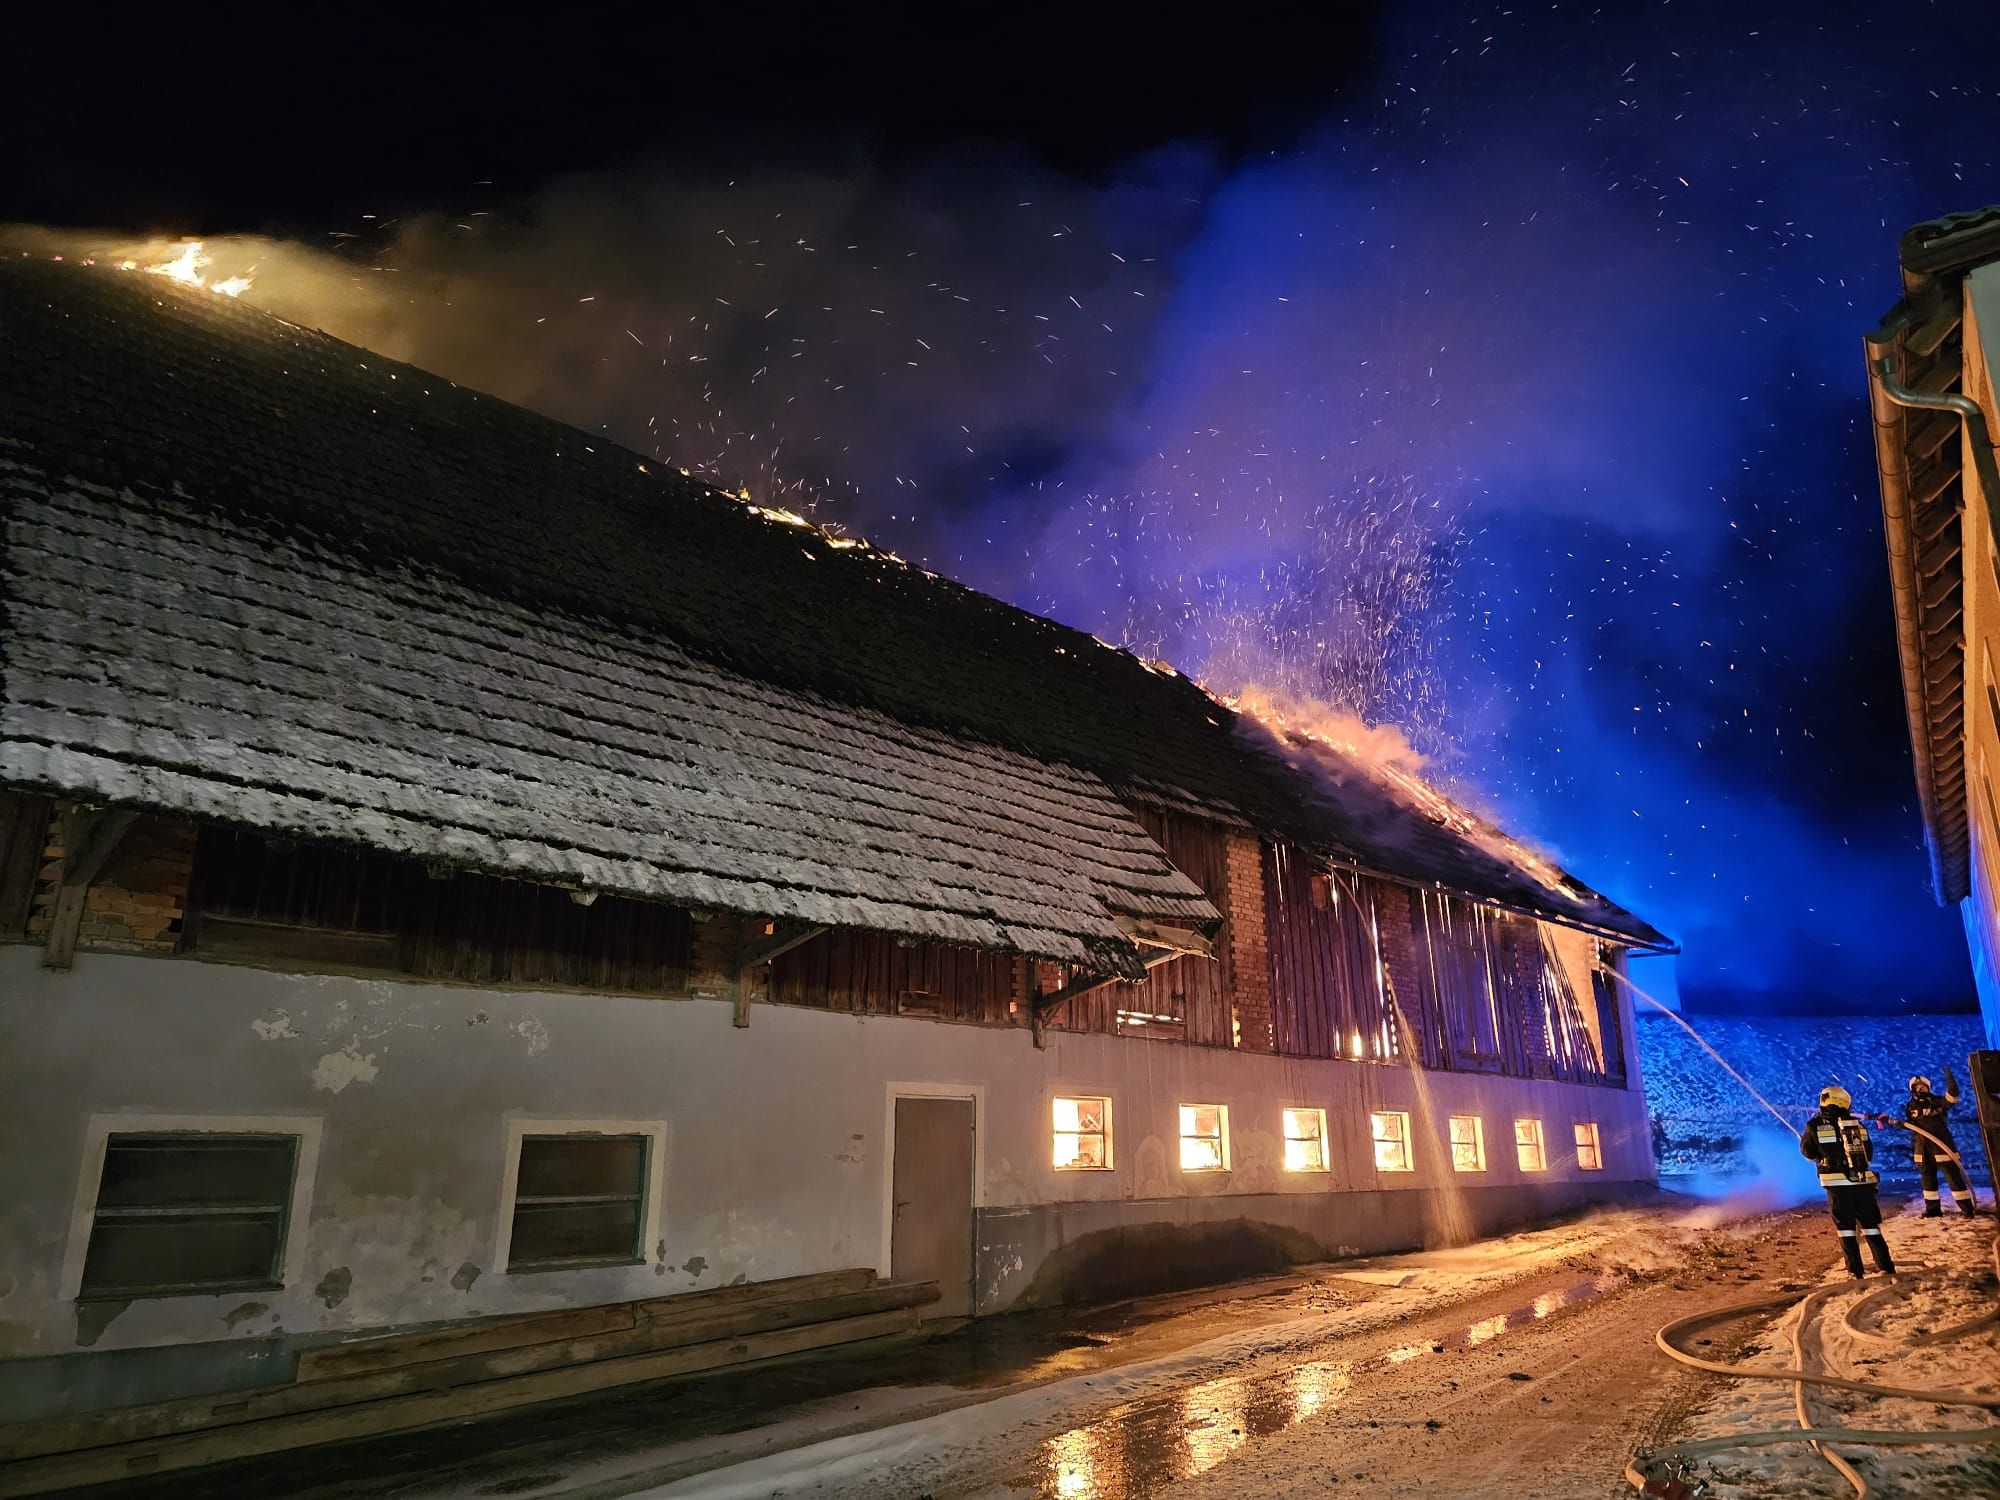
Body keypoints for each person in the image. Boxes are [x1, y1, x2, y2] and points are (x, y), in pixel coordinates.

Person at [1799, 1085, 1895, 1278]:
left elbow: (1808, 1152)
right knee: (1870, 1226)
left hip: (1836, 1185)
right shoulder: (1857, 1125)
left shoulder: (1814, 1125)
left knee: (1846, 1230)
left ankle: (1855, 1271)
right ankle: (1886, 1267)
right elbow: (1868, 1154)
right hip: (1862, 1183)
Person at [1902, 1071, 1977, 1217]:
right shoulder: (1909, 1107)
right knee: (1928, 1182)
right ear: (1912, 1089)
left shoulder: (1937, 1102)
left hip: (1942, 1146)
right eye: (1916, 1087)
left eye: (1922, 1086)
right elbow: (1907, 1125)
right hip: (1922, 1149)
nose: (1919, 1089)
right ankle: (1933, 1210)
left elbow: (1953, 1097)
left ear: (1928, 1088)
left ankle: (1967, 1209)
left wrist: (1949, 1077)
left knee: (1954, 1179)